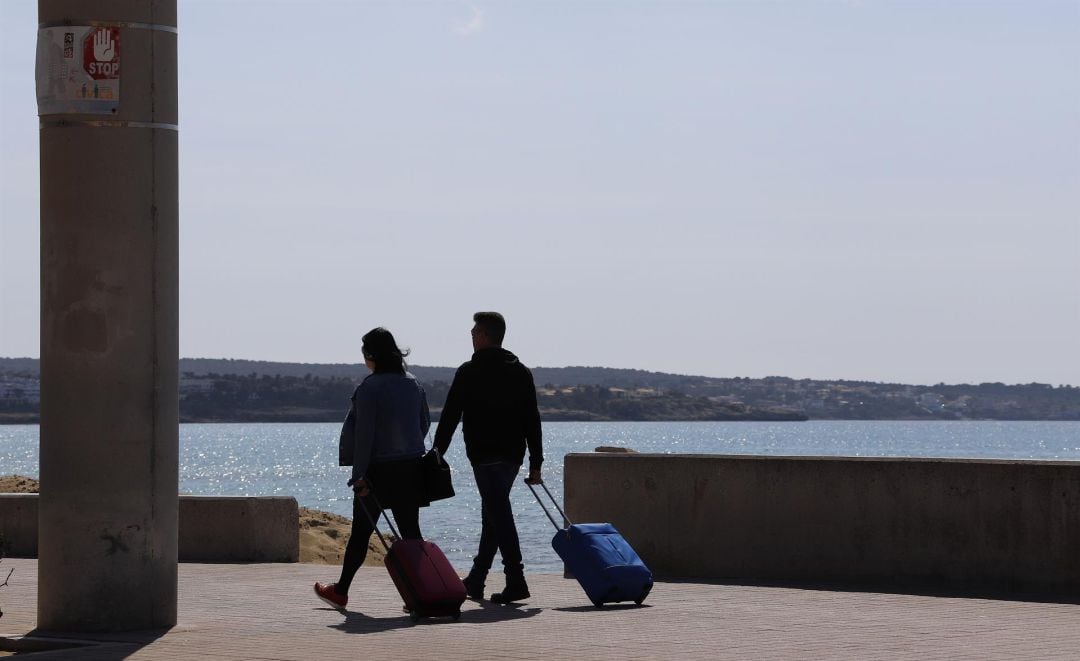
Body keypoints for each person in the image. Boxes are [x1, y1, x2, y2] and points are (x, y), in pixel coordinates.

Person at [314, 327, 430, 610]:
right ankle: (423, 593)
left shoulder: (370, 387)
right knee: (411, 533)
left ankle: (341, 591)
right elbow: (424, 423)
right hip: (410, 467)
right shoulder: (413, 383)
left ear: (371, 355)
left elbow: (364, 435)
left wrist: (359, 475)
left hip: (377, 470)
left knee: (362, 532)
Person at [433, 311, 543, 604]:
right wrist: (536, 462)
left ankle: (516, 579)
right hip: (512, 455)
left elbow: (450, 416)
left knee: (499, 514)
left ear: (484, 336)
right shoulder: (520, 371)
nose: (471, 337)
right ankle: (477, 579)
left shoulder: (469, 371)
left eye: (473, 333)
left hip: (485, 455)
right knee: (493, 515)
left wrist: (437, 452)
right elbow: (532, 419)